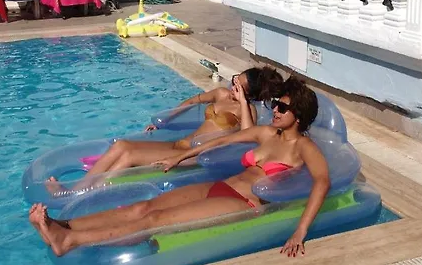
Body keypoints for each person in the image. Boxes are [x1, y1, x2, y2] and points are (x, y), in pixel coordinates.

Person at [30, 77, 330, 257]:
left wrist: (300, 231)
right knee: (143, 207)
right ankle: (63, 225)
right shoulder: (267, 134)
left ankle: (69, 241)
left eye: (282, 107)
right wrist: (180, 157)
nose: (275, 110)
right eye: (275, 104)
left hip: (244, 202)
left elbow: (321, 182)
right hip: (222, 186)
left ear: (299, 115)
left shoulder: (304, 148)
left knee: (156, 220)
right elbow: (223, 141)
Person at [46, 66, 284, 193]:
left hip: (194, 155)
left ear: (248, 94)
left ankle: (86, 194)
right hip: (180, 143)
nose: (233, 87)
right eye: (235, 80)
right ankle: (78, 189)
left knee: (128, 157)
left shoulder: (247, 112)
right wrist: (165, 120)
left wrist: (242, 102)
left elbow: (246, 138)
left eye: (239, 87)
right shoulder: (221, 94)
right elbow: (192, 101)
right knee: (122, 145)